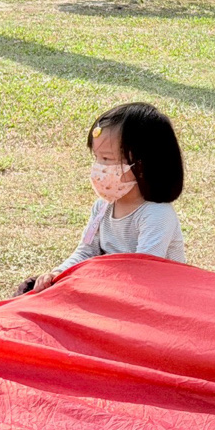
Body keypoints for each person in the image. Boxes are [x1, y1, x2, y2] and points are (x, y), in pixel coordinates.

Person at [25, 102, 186, 294]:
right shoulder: (102, 207)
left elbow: (143, 272)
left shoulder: (156, 214)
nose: (98, 167)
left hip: (153, 294)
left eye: (107, 159)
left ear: (141, 164)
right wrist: (58, 272)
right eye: (97, 158)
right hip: (113, 286)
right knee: (32, 289)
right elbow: (86, 251)